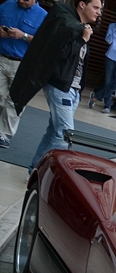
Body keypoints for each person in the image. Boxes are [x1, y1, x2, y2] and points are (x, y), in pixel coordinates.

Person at [11, 0, 103, 173]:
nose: (99, 13)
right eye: (96, 7)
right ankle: (46, 173)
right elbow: (59, 54)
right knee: (66, 135)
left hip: (72, 88)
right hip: (60, 86)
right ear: (82, 5)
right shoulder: (69, 25)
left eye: (100, 9)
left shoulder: (79, 27)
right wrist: (82, 39)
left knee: (54, 131)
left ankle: (35, 170)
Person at [0, 0, 47, 149]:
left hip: (23, 63)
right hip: (2, 57)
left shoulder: (43, 16)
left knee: (15, 101)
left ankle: (4, 135)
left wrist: (24, 36)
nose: (22, 1)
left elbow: (44, 42)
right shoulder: (6, 5)